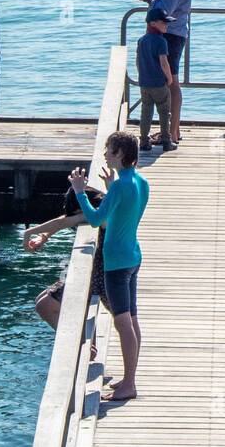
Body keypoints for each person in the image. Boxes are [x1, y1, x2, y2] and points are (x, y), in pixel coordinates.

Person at [69, 130, 149, 402]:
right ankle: (129, 379)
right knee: (132, 319)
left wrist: (80, 192)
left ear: (121, 154)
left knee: (122, 323)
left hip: (115, 261)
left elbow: (94, 219)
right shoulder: (140, 182)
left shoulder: (120, 186)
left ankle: (129, 384)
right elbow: (124, 212)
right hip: (133, 256)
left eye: (110, 150)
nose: (105, 154)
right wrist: (112, 185)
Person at [25, 180, 109, 359]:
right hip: (93, 272)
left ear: (80, 209)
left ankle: (83, 346)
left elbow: (65, 221)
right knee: (42, 300)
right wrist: (43, 236)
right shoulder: (97, 209)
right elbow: (64, 220)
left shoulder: (95, 215)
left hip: (96, 276)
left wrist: (29, 233)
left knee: (44, 305)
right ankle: (87, 343)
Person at [130, 0, 193, 145]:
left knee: (171, 82)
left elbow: (166, 10)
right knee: (169, 82)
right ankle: (171, 130)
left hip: (171, 34)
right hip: (173, 32)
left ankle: (172, 133)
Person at [137, 7, 175, 152]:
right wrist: (169, 78)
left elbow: (137, 61)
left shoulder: (142, 41)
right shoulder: (161, 41)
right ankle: (166, 140)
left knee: (146, 111)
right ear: (153, 23)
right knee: (164, 112)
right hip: (159, 83)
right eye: (163, 22)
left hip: (144, 83)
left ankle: (144, 141)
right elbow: (164, 62)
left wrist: (142, 75)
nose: (166, 25)